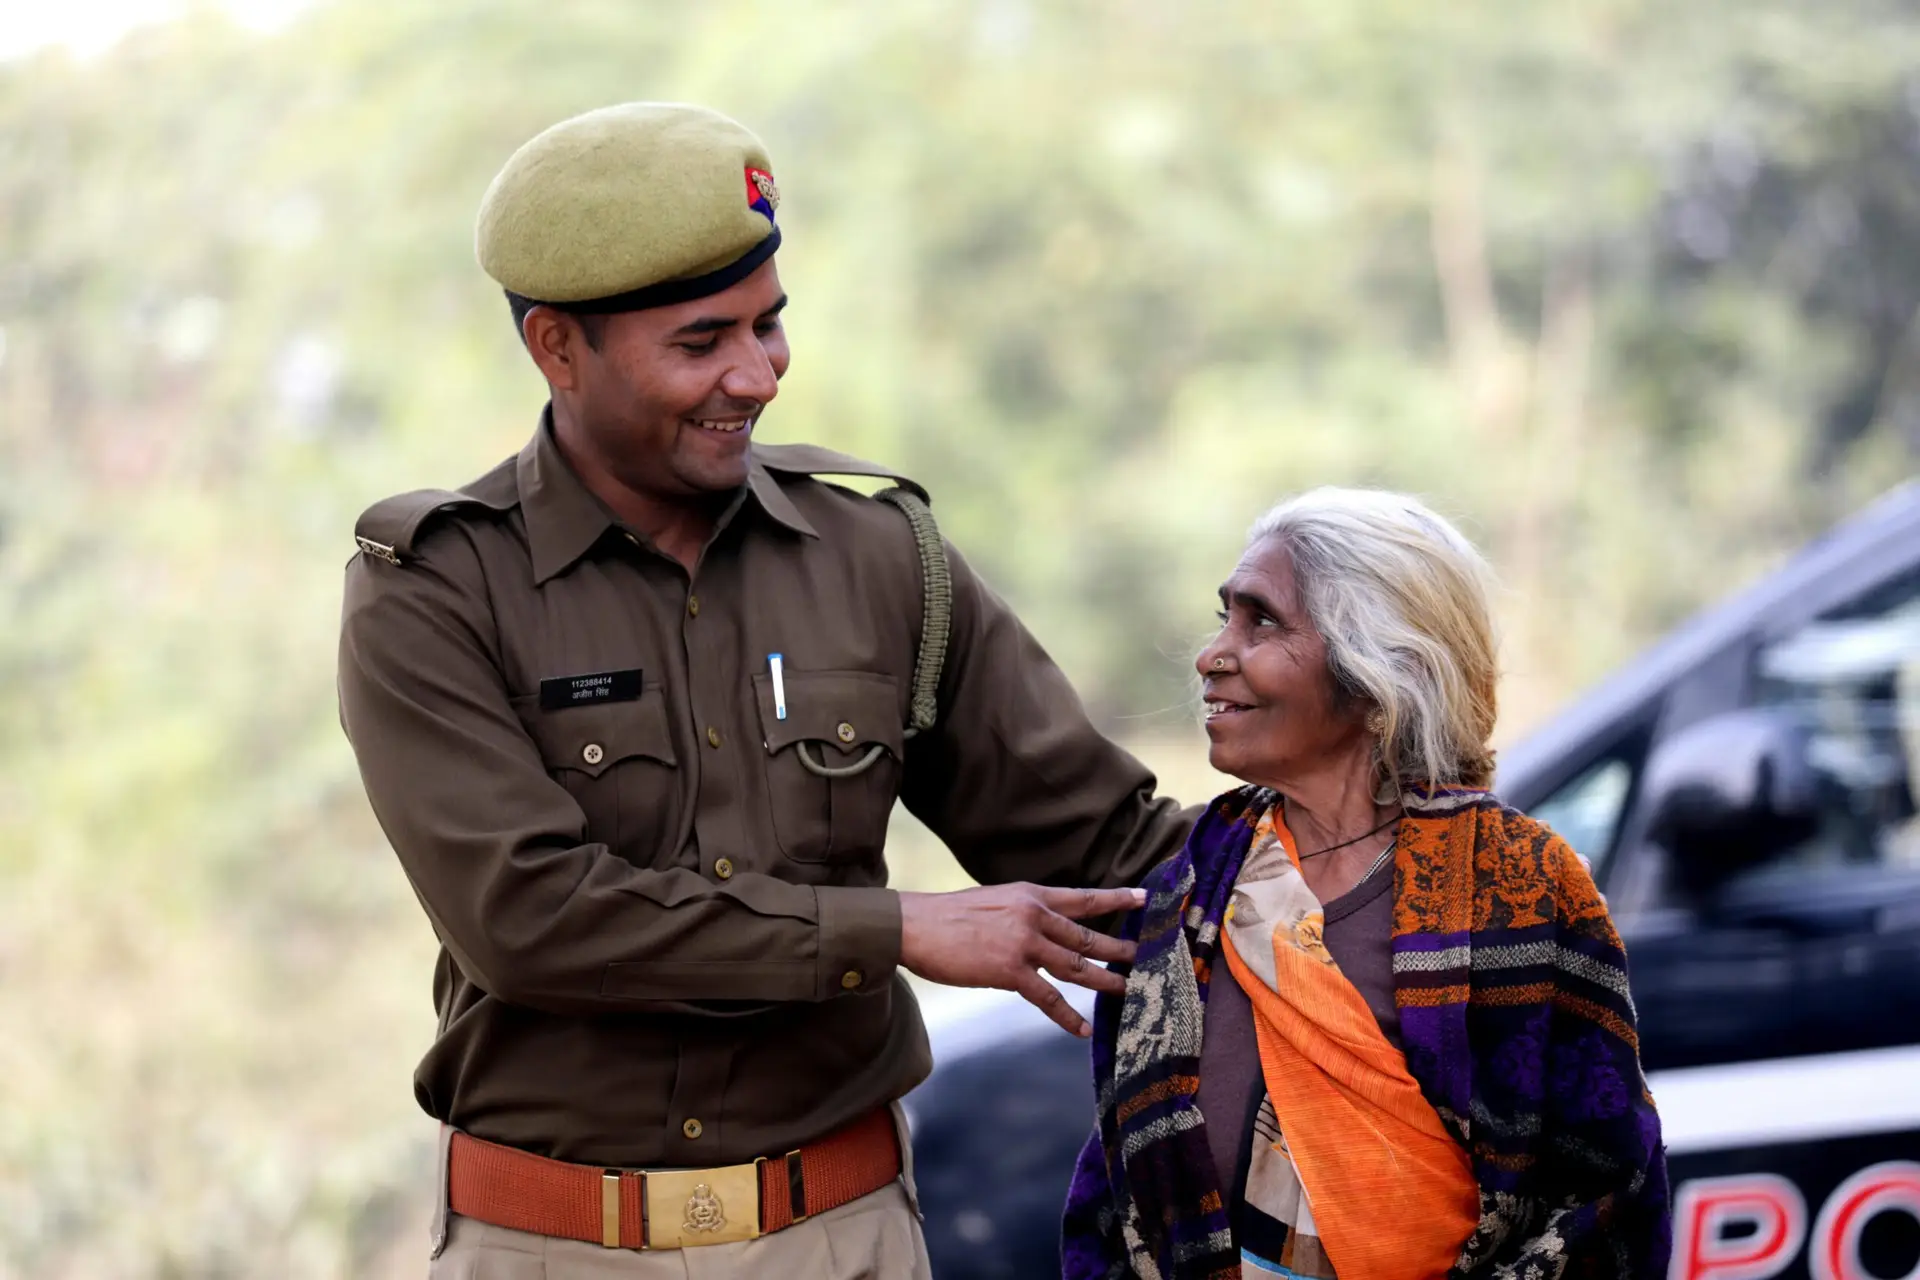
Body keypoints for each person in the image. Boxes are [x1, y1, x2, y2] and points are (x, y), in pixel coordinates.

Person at [336, 102, 1193, 1278]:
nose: (759, 375)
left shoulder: (883, 553)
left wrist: (1381, 848)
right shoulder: (433, 593)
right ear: (555, 346)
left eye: (770, 324)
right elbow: (531, 919)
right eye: (702, 342)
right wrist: (894, 930)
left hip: (845, 1235)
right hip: (550, 1247)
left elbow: (1110, 844)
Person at [1063, 489, 1671, 1279]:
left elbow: (1607, 1202)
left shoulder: (1516, 885)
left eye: (1263, 621)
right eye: (1224, 618)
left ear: (1372, 668)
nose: (1213, 653)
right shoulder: (1192, 893)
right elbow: (1116, 1198)